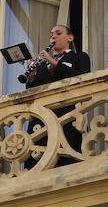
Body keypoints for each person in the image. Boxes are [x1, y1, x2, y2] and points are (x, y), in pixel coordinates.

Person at [23, 24, 92, 164]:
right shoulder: (43, 64)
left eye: (58, 33)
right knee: (36, 158)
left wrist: (52, 61)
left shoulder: (79, 57)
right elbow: (34, 91)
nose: (53, 36)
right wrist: (31, 77)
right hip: (41, 118)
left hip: (66, 113)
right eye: (51, 35)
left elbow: (79, 78)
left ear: (70, 38)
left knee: (65, 157)